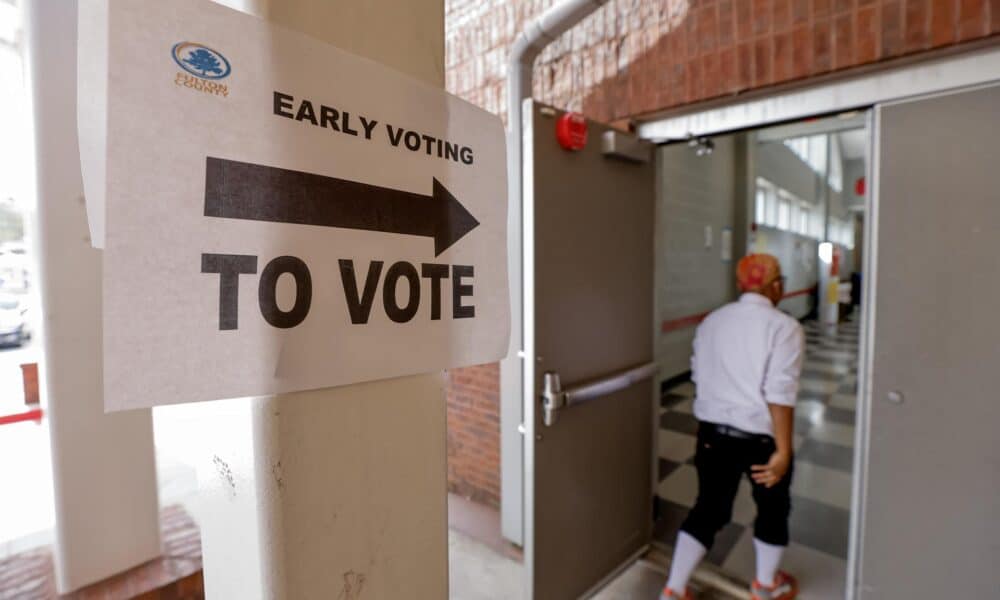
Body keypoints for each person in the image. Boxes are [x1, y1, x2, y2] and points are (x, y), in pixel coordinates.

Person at [660, 254, 805, 600]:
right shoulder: (784, 327)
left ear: (741, 285)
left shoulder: (712, 321)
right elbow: (779, 394)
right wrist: (783, 450)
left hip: (713, 434)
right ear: (777, 286)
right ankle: (767, 585)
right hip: (760, 441)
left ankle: (674, 589)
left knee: (708, 508)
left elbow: (700, 376)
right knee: (772, 508)